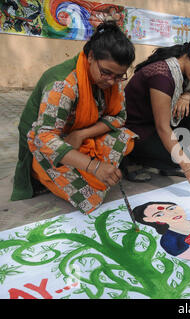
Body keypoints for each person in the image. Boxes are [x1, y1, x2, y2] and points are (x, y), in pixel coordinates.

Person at [10, 22, 137, 214]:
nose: (112, 81)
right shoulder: (63, 84)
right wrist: (93, 166)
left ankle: (80, 169)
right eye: (106, 73)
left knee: (125, 139)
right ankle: (39, 174)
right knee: (90, 199)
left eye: (119, 76)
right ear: (91, 56)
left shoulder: (113, 80)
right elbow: (44, 138)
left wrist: (81, 134)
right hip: (45, 143)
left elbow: (120, 116)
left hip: (76, 137)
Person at [123, 38, 190, 184]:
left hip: (153, 126)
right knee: (174, 157)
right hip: (136, 130)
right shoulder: (162, 76)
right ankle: (132, 159)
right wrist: (187, 166)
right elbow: (163, 127)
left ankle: (163, 160)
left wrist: (186, 96)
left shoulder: (183, 74)